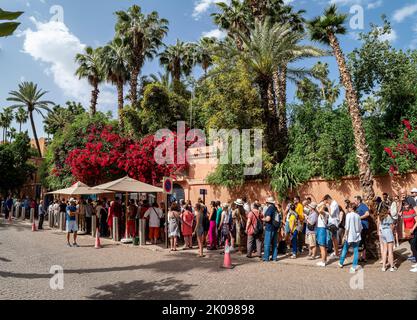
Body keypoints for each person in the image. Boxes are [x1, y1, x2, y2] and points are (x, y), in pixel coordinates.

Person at [338, 202, 363, 273]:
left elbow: (347, 227)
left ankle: (341, 263)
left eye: (349, 207)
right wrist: (358, 234)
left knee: (345, 249)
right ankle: (354, 266)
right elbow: (360, 227)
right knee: (355, 251)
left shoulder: (348, 215)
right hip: (357, 236)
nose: (348, 208)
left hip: (349, 235)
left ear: (351, 208)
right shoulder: (358, 216)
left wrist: (344, 236)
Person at [378, 205, 397, 272]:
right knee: (390, 251)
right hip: (388, 232)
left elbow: (380, 225)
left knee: (384, 250)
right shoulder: (388, 216)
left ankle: (383, 266)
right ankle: (392, 267)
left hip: (383, 233)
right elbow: (392, 226)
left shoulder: (380, 217)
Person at [262, 197, 280, 262]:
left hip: (269, 228)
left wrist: (263, 219)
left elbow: (268, 219)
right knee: (274, 244)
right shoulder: (275, 208)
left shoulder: (270, 208)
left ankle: (266, 258)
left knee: (267, 243)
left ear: (268, 203)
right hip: (275, 228)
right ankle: (274, 258)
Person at [353, 196, 370, 263]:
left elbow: (367, 214)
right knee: (360, 242)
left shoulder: (363, 206)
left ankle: (363, 257)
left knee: (362, 242)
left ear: (359, 200)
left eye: (355, 200)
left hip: (364, 226)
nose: (354, 202)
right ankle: (361, 257)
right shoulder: (357, 207)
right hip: (359, 227)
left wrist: (359, 217)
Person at [402, 202, 417, 272]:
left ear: (409, 205)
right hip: (407, 231)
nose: (406, 206)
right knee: (412, 246)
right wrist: (403, 231)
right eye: (405, 205)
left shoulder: (412, 211)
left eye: (407, 205)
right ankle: (416, 262)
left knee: (414, 247)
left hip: (414, 231)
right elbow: (403, 222)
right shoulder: (404, 212)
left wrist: (412, 229)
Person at [316, 202, 329, 267]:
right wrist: (321, 205)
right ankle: (325, 260)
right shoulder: (325, 213)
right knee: (323, 247)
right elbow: (318, 208)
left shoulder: (325, 213)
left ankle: (323, 262)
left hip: (322, 229)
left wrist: (322, 204)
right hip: (321, 229)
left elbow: (318, 209)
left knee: (322, 247)